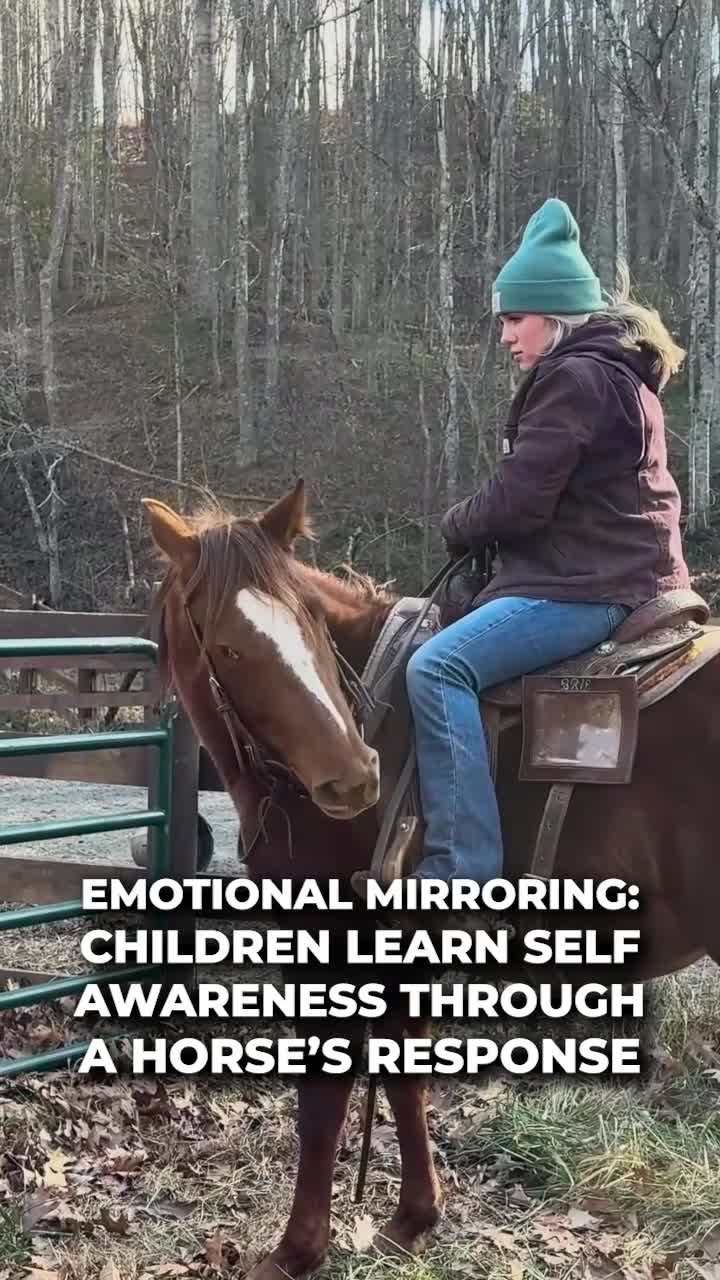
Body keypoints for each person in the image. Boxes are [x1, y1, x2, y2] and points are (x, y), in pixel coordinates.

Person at [363, 196, 691, 894]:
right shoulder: (615, 374)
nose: (507, 336)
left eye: (515, 319)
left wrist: (459, 523)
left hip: (588, 586)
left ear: (554, 317)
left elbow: (519, 499)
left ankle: (461, 871)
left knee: (436, 668)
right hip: (631, 574)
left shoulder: (573, 378)